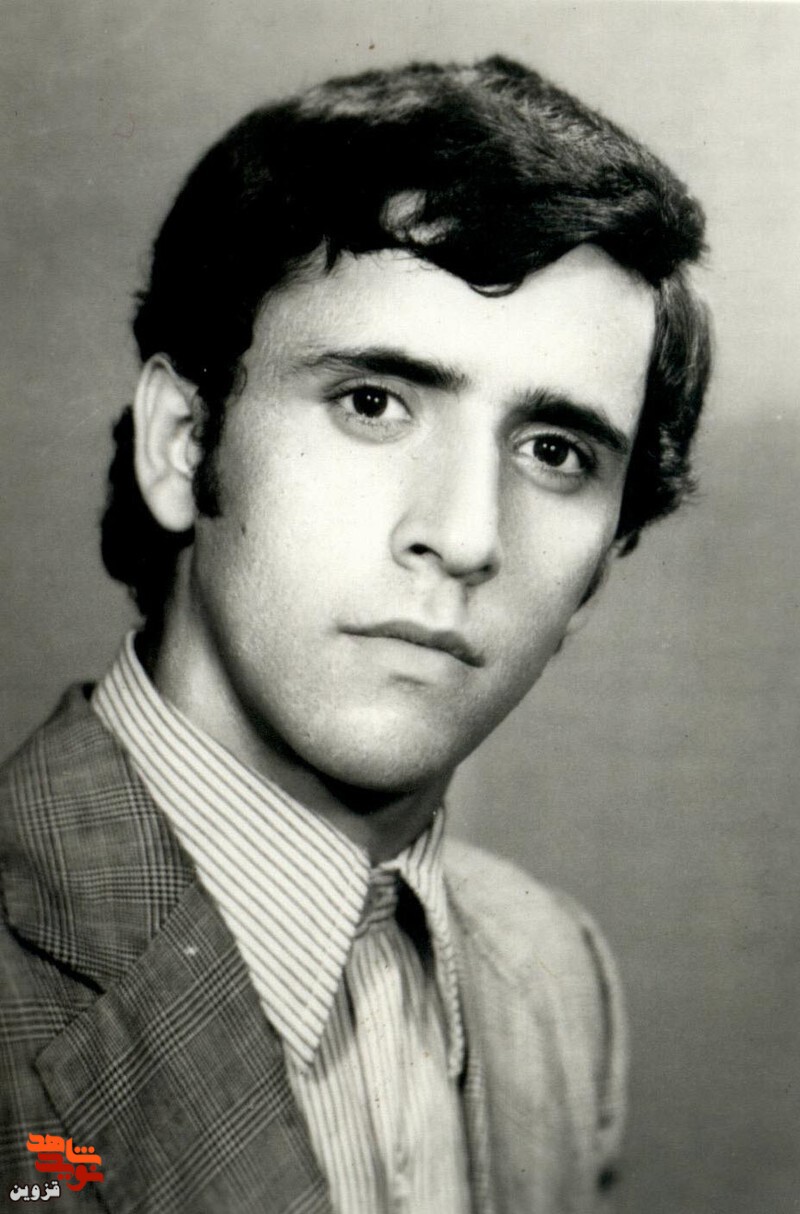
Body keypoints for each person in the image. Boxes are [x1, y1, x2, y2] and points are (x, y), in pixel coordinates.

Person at [0, 56, 711, 1213]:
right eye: (372, 402)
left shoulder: (553, 972)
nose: (465, 534)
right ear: (183, 442)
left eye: (553, 452)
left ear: (600, 564)